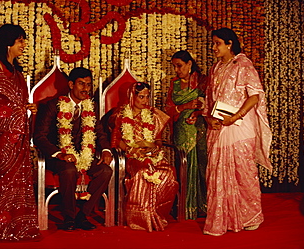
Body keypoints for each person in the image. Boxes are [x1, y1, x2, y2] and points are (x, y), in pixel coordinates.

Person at [0, 24, 41, 241]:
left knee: (20, 181)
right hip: (3, 137)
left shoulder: (18, 73)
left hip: (18, 135)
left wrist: (29, 108)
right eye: (20, 41)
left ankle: (18, 227)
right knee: (3, 180)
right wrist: (16, 111)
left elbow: (18, 101)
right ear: (8, 42)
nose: (23, 45)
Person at [202, 28, 272, 236]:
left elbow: (254, 96)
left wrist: (235, 117)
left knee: (244, 173)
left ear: (229, 44)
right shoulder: (215, 68)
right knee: (216, 174)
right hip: (218, 127)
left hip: (239, 128)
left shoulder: (243, 65)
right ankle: (222, 219)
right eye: (213, 43)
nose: (214, 47)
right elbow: (209, 99)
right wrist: (209, 119)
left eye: (217, 43)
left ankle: (251, 216)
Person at [33, 67, 113, 231]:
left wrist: (106, 150)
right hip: (58, 157)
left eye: (89, 85)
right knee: (69, 169)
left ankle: (83, 215)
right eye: (81, 84)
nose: (85, 89)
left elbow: (100, 133)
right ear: (71, 84)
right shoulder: (52, 105)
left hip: (85, 156)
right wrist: (59, 154)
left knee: (105, 171)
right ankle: (69, 217)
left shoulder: (91, 107)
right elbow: (39, 137)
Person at [109, 82, 179, 232]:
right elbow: (116, 141)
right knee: (144, 173)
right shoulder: (121, 115)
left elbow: (158, 141)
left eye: (147, 97)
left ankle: (157, 215)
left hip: (152, 156)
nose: (145, 100)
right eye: (141, 97)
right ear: (131, 96)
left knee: (168, 173)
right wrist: (132, 150)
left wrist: (153, 146)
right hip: (132, 157)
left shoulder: (153, 115)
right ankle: (140, 218)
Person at [165, 50, 208, 220]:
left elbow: (210, 104)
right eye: (174, 66)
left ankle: (204, 205)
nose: (176, 70)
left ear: (189, 64)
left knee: (202, 167)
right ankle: (184, 207)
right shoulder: (174, 83)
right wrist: (185, 106)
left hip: (199, 129)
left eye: (179, 66)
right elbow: (169, 109)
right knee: (183, 167)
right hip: (181, 130)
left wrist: (197, 113)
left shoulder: (202, 82)